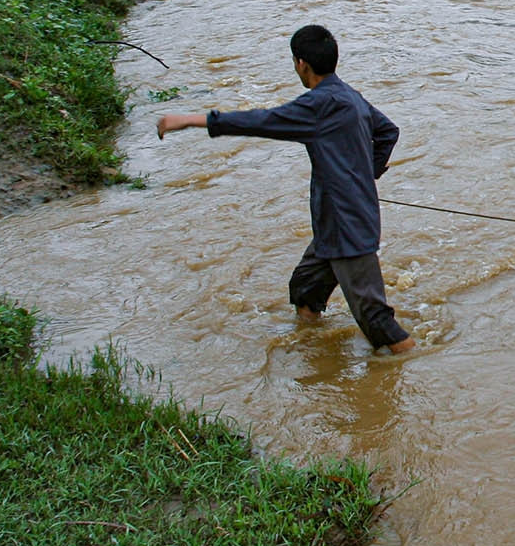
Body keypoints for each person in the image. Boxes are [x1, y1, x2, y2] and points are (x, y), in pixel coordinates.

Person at [156, 25, 416, 354]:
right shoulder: (349, 95)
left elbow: (263, 121)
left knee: (376, 320)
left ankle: (413, 362)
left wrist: (192, 120)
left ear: (301, 64)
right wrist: (364, 175)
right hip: (336, 222)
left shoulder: (319, 104)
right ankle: (317, 356)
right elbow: (388, 132)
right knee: (306, 288)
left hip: (346, 226)